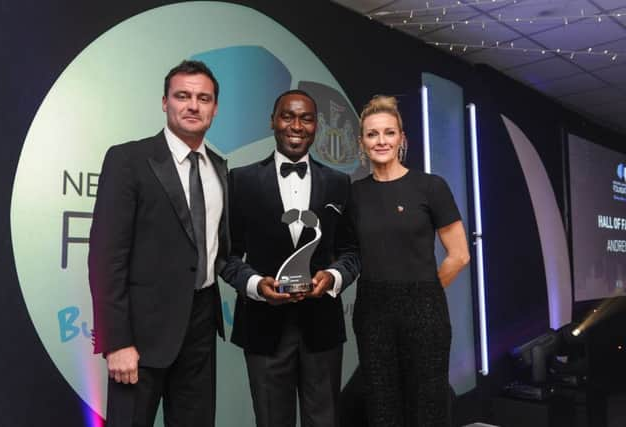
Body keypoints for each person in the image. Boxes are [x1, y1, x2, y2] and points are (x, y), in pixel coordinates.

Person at [88, 60, 228, 427]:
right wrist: (116, 342)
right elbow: (106, 258)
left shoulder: (219, 167)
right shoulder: (128, 160)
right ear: (164, 102)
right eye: (183, 96)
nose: (193, 105)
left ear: (215, 108)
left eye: (203, 98)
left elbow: (218, 250)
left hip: (200, 330)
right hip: (140, 337)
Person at [220, 89, 360, 427]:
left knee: (323, 420)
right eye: (288, 116)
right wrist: (256, 285)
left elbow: (351, 253)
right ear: (273, 121)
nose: (296, 125)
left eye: (306, 118)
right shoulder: (241, 180)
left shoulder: (339, 183)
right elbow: (226, 256)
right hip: (262, 328)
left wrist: (333, 278)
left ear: (316, 127)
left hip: (322, 328)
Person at [349, 96, 470, 427]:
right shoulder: (355, 194)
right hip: (372, 312)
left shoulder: (431, 187)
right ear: (362, 142)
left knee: (427, 407)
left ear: (403, 138)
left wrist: (422, 292)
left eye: (389, 133)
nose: (381, 141)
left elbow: (460, 255)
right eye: (372, 135)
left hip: (425, 311)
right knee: (382, 406)